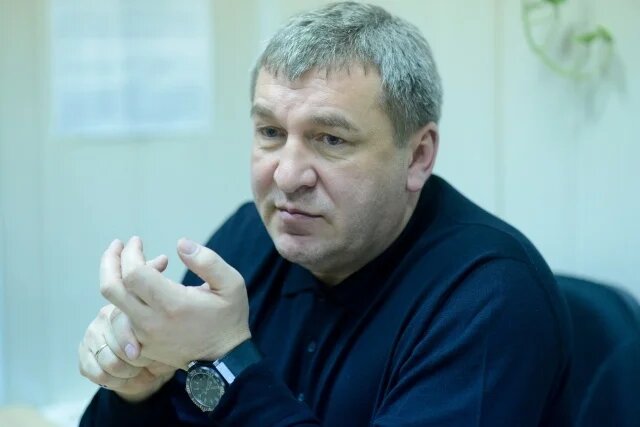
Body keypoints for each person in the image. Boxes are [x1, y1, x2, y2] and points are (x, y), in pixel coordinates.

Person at [78, 2, 573, 426]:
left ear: (417, 156)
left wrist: (226, 358)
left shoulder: (490, 296)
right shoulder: (251, 237)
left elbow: (222, 375)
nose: (287, 175)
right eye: (271, 133)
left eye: (331, 139)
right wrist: (137, 388)